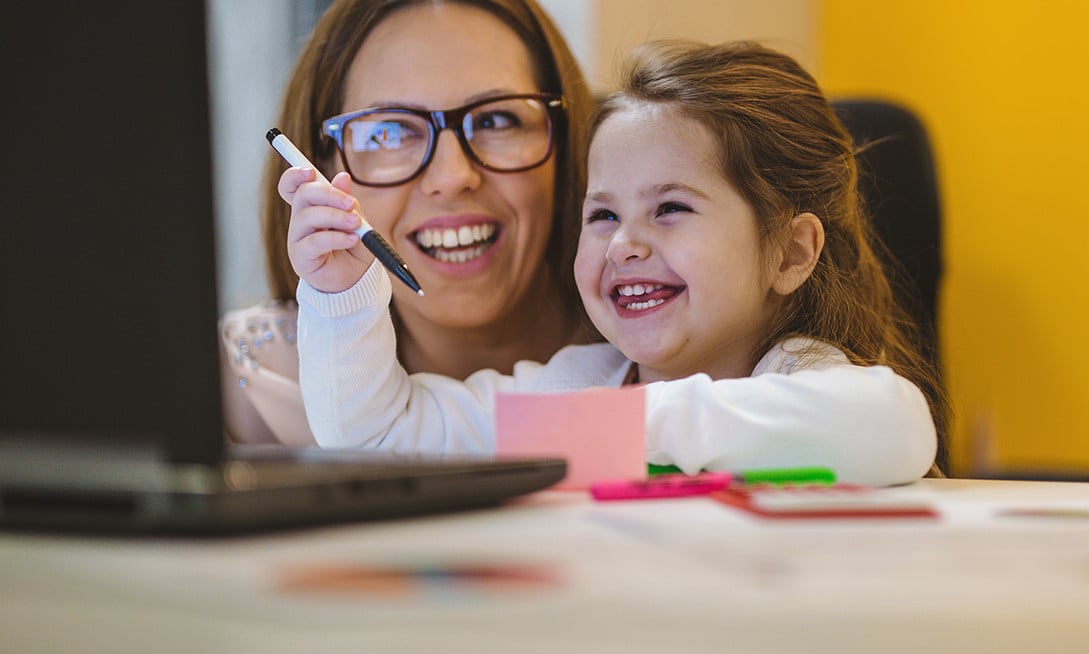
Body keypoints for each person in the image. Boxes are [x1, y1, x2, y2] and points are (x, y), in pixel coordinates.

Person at [292, 39, 943, 485]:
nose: (623, 245)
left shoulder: (805, 379)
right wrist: (340, 293)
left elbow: (898, 426)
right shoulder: (576, 384)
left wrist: (620, 425)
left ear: (791, 251)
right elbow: (378, 440)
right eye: (601, 215)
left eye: (670, 209)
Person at [218, 0, 596, 445]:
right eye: (390, 131)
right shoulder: (256, 384)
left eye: (496, 119)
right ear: (317, 170)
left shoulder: (660, 347)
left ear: (570, 143)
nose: (452, 178)